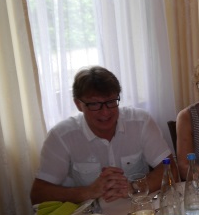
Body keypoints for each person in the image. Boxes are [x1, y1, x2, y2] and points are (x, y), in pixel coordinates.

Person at [30, 66, 172, 205]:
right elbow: (38, 194)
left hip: (139, 209)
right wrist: (88, 192)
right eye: (94, 104)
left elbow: (170, 169)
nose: (105, 112)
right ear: (78, 104)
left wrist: (134, 187)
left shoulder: (141, 122)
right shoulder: (61, 136)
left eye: (111, 102)